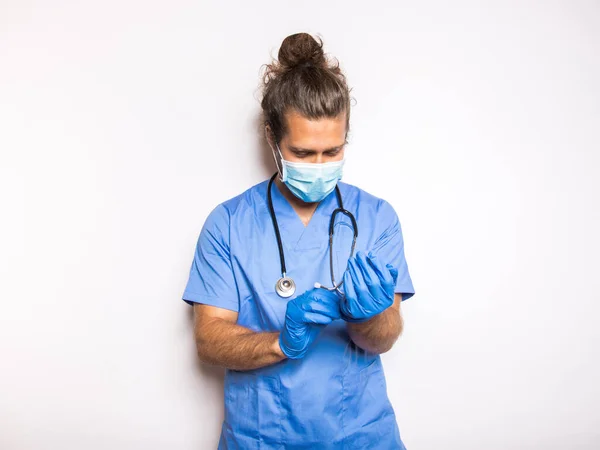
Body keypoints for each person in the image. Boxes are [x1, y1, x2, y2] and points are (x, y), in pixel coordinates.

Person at [182, 32, 416, 450]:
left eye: (333, 151)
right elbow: (208, 340)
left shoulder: (377, 217)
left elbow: (384, 336)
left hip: (360, 436)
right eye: (304, 154)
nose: (320, 166)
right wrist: (280, 342)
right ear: (272, 138)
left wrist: (369, 317)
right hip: (262, 438)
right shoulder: (229, 224)